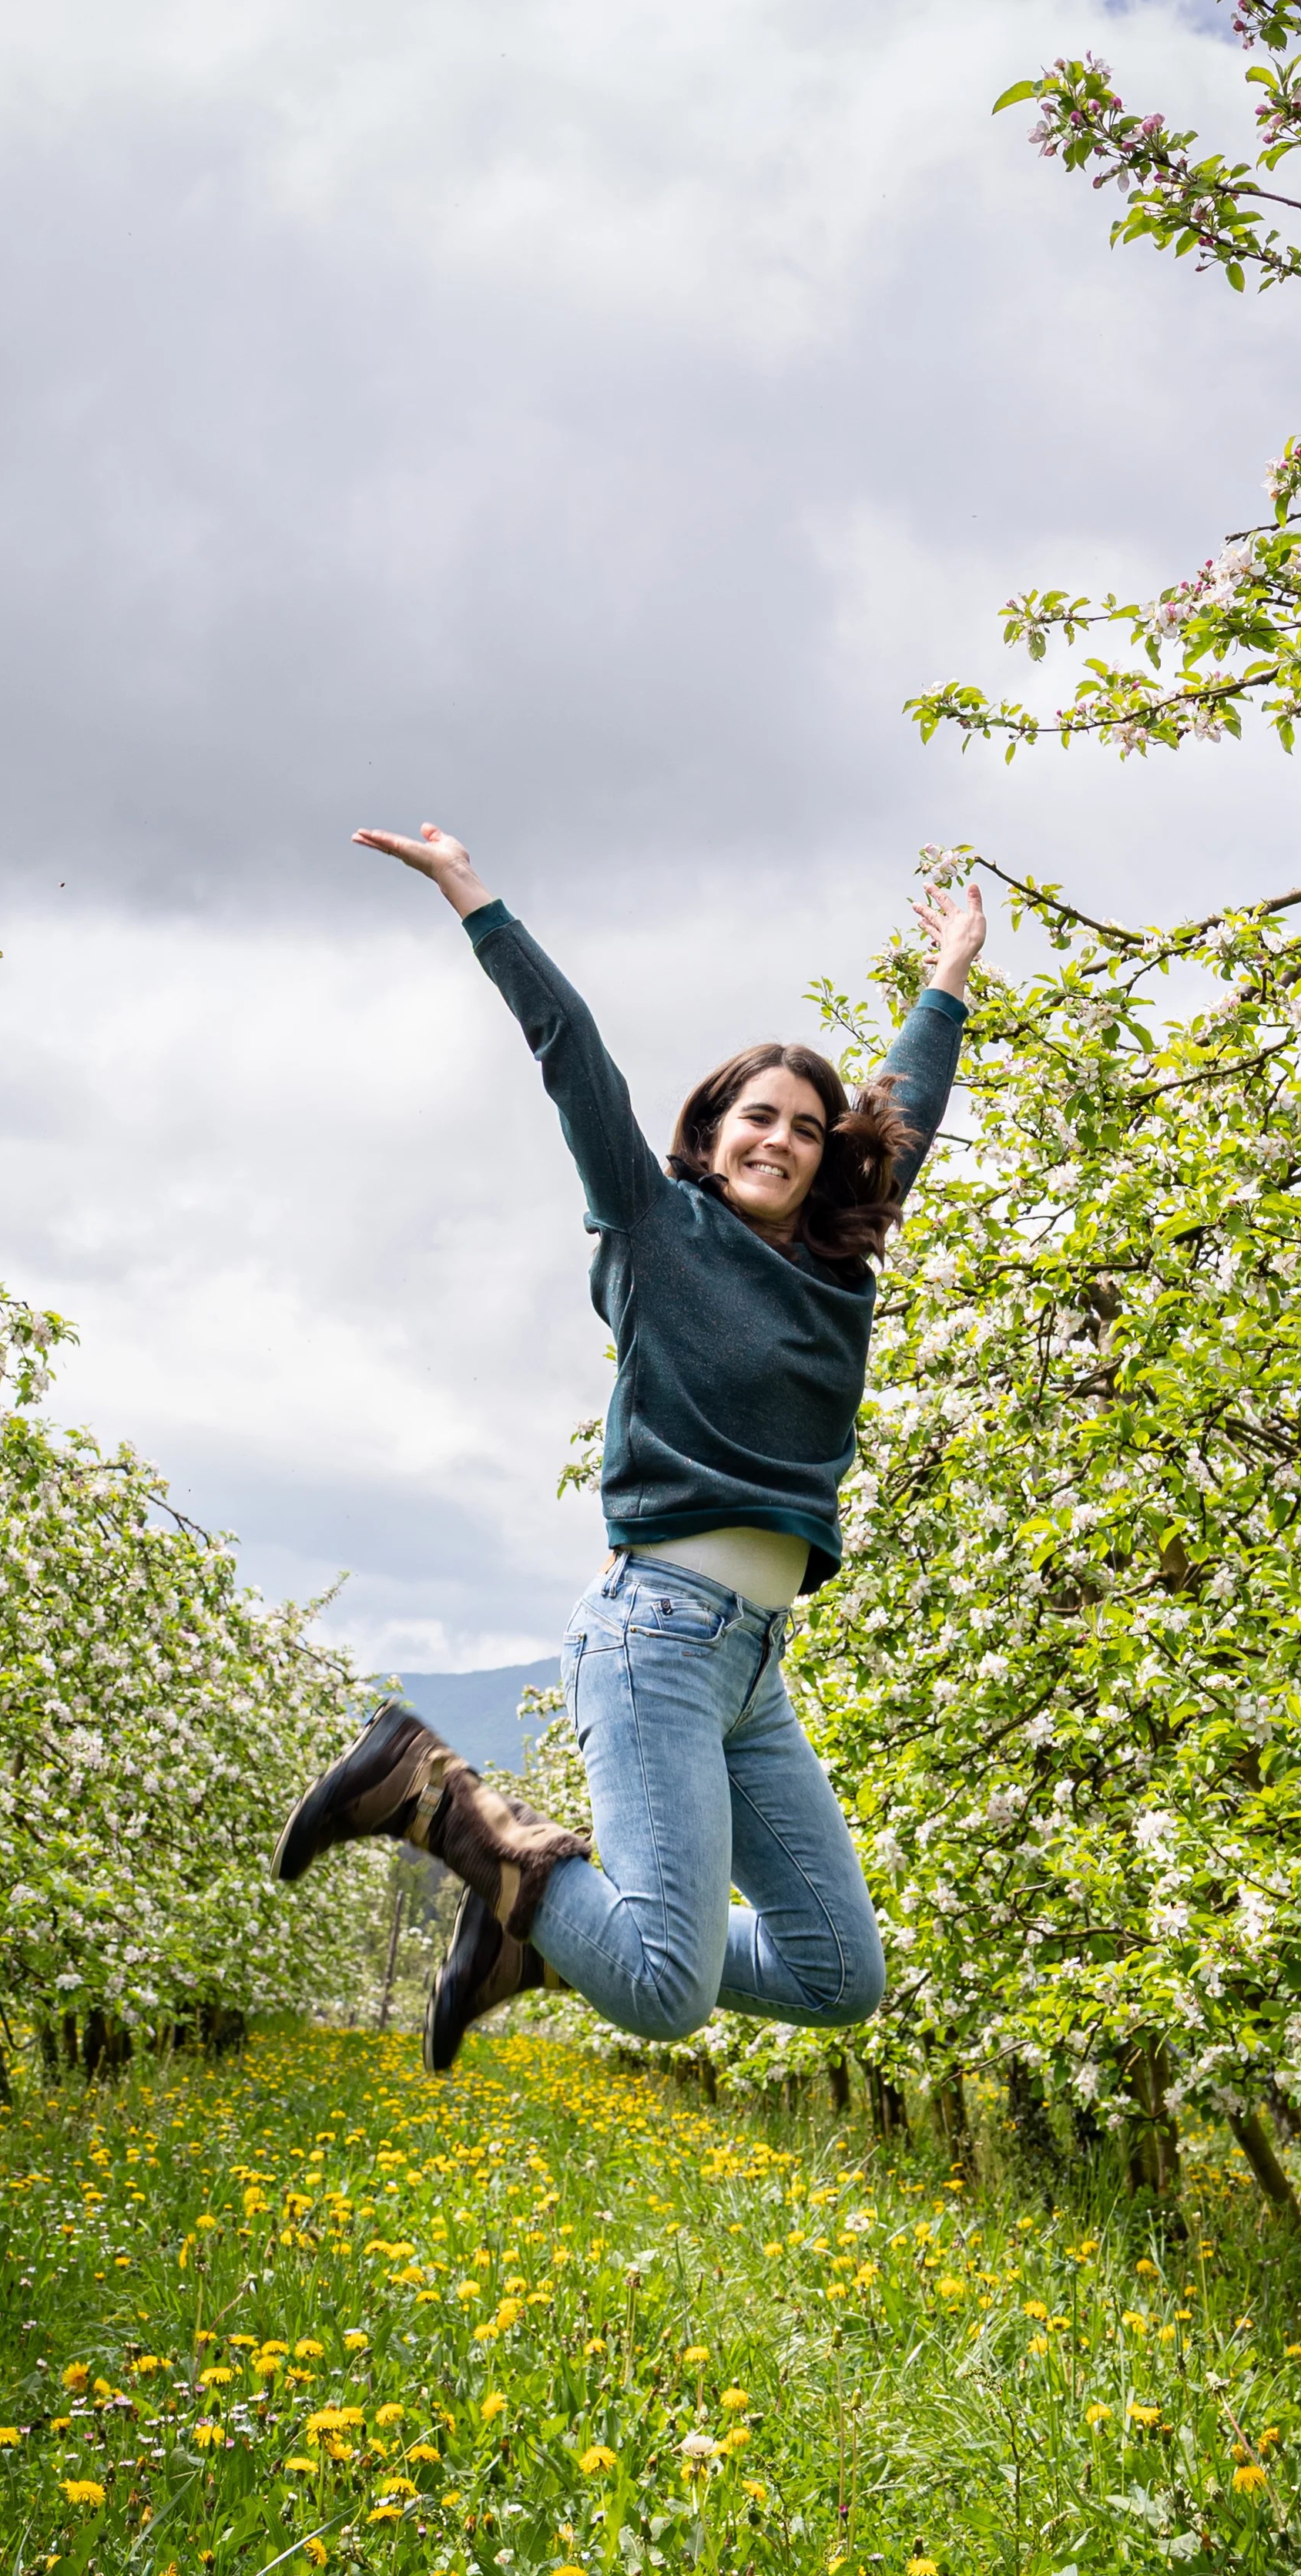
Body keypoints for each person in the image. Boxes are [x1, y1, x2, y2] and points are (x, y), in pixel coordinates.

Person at [273, 822, 984, 2073]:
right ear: (707, 1136)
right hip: (655, 1629)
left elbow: (903, 1114)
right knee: (663, 1991)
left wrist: (950, 979)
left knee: (836, 1974)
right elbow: (573, 1058)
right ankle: (431, 1790)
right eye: (754, 1118)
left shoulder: (836, 1272)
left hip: (749, 1663)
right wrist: (471, 897)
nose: (780, 1139)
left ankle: (546, 1931)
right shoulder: (657, 1232)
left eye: (807, 1129)